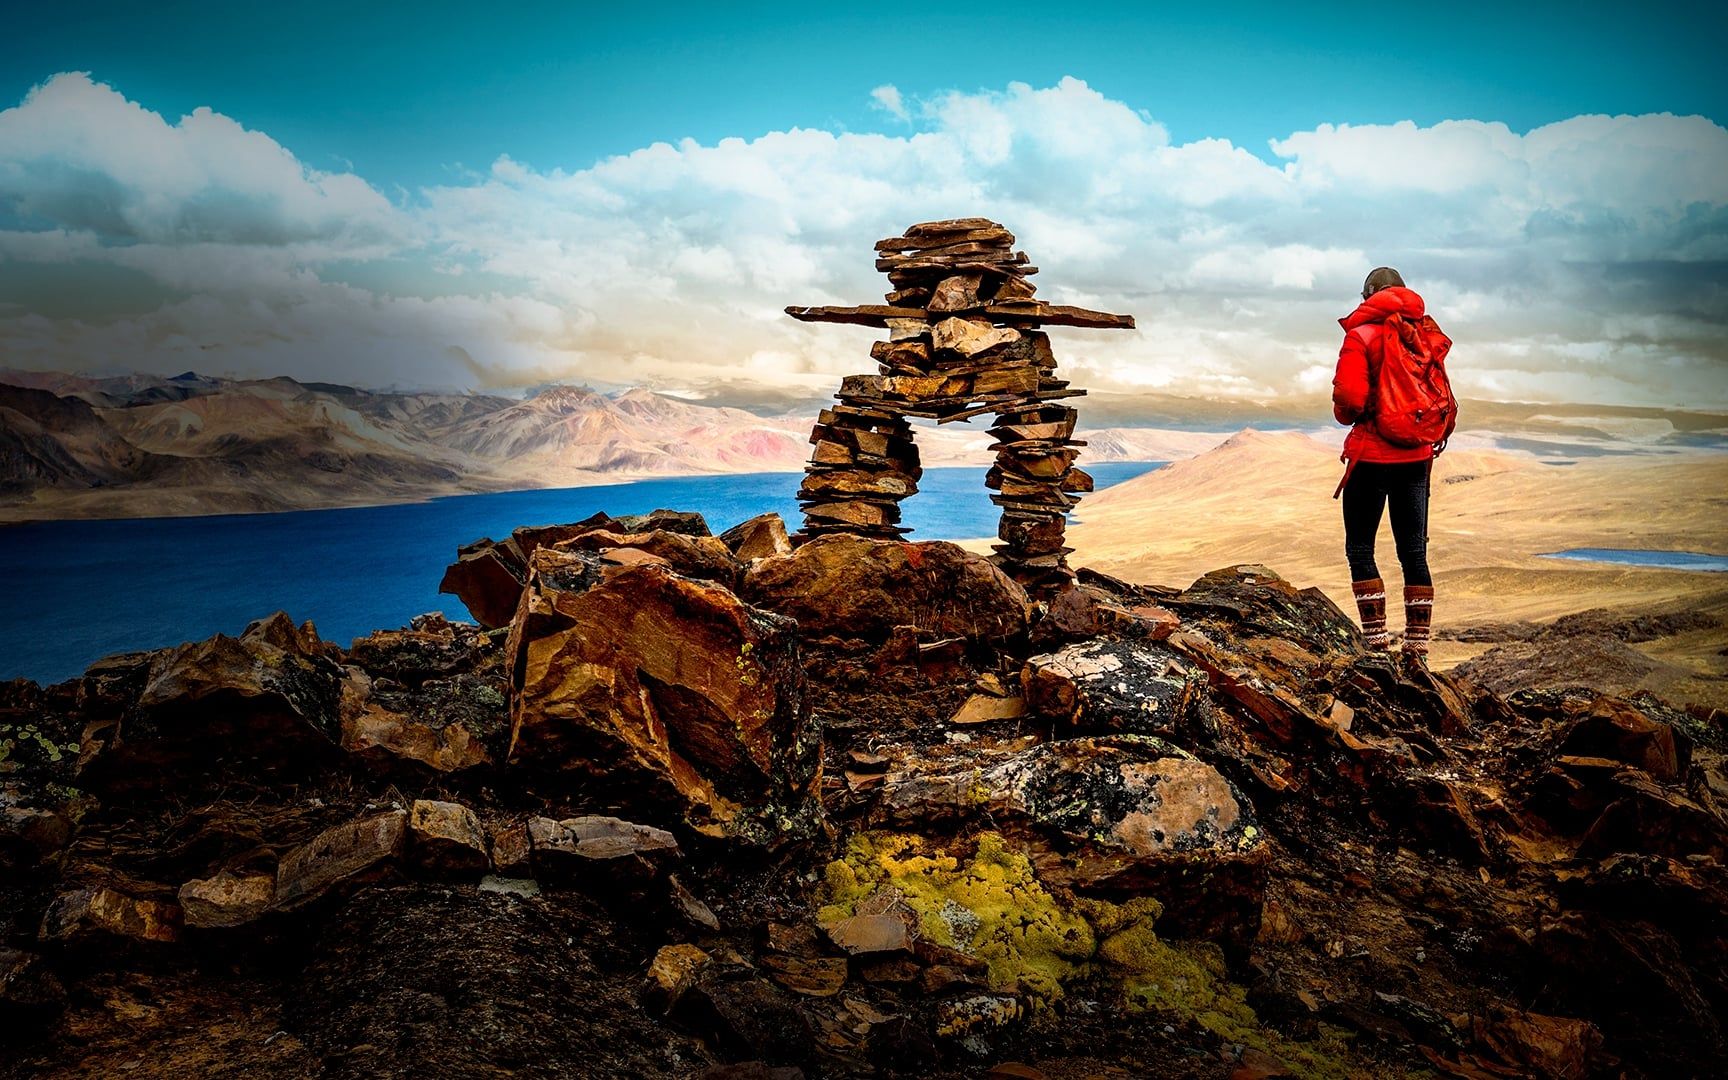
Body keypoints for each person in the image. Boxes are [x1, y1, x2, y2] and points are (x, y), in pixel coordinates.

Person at [1331, 267, 1455, 662]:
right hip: (1416, 458)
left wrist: (1352, 412)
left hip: (1371, 456)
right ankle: (1416, 652)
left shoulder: (1361, 335)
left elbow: (1348, 402)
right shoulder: (1423, 332)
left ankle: (1376, 645)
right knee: (1414, 554)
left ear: (1368, 295)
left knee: (1361, 548)